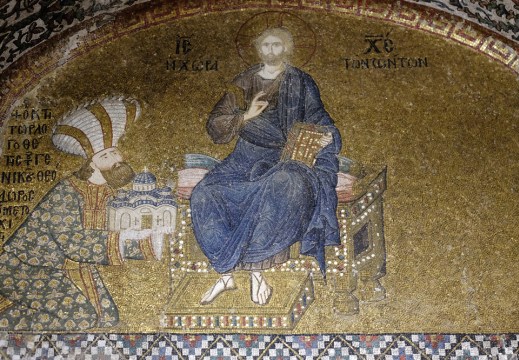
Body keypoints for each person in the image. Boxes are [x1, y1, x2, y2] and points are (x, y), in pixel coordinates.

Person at [190, 27, 342, 305]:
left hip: (286, 158)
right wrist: (245, 117)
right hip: (244, 157)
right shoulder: (243, 82)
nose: (271, 51)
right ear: (259, 50)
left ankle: (256, 273)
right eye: (266, 46)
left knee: (282, 184)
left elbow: (320, 119)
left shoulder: (301, 82)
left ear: (287, 48)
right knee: (205, 192)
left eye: (277, 45)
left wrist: (326, 136)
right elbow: (216, 124)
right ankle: (225, 272)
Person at [0, 98, 163, 331]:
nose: (117, 161)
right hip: (24, 268)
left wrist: (151, 241)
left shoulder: (107, 194)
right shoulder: (67, 192)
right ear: (92, 164)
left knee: (108, 318)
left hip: (71, 268)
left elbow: (122, 230)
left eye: (115, 153)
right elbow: (74, 243)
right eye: (106, 157)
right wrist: (129, 238)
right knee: (81, 318)